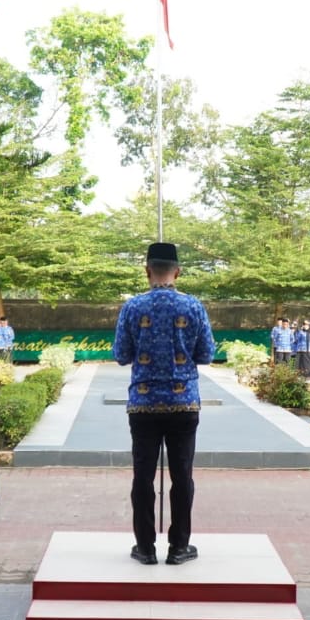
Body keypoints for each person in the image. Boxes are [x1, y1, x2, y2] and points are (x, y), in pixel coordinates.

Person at [113, 242, 215, 567]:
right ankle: (179, 547)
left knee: (142, 477)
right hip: (184, 403)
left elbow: (121, 355)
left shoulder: (132, 307)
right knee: (182, 476)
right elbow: (206, 354)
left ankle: (145, 547)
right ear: (177, 272)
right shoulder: (193, 306)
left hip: (143, 404)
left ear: (147, 271)